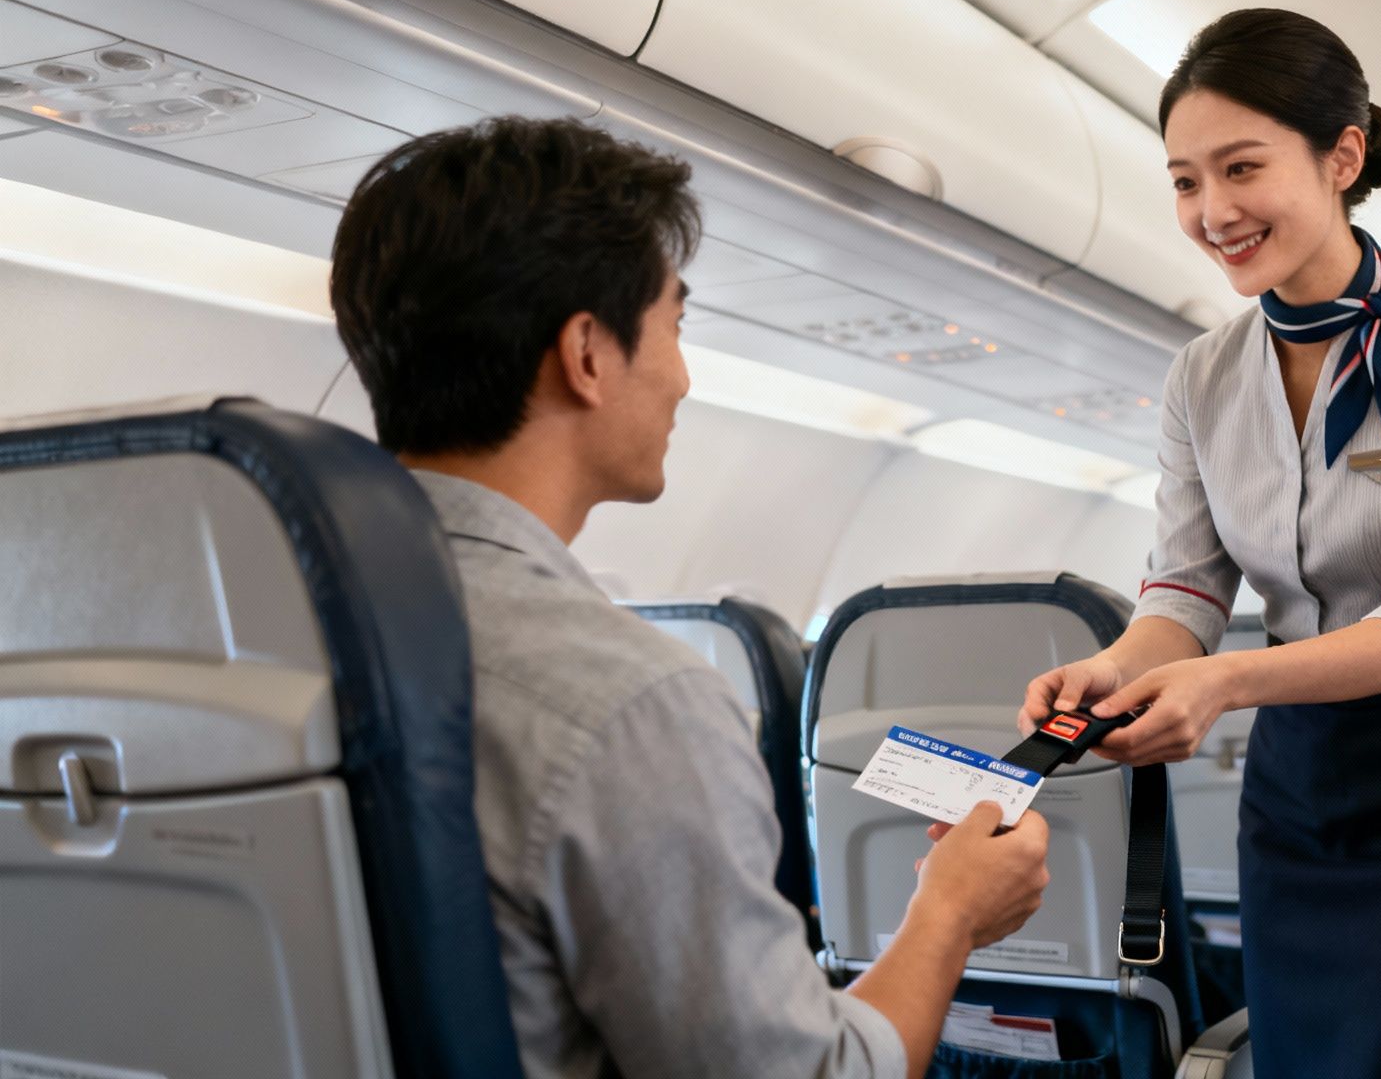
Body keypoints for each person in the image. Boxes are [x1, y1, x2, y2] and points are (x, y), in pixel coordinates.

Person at [330, 116, 1051, 1079]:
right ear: (586, 353)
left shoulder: (266, 627)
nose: (682, 377)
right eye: (674, 326)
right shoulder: (630, 703)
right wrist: (950, 916)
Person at [1017, 9, 1381, 1077]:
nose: (1210, 211)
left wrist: (1220, 688)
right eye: (1181, 181)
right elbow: (1183, 597)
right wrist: (1108, 670)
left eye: (1239, 168)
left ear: (1340, 157)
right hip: (1297, 786)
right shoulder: (1199, 378)